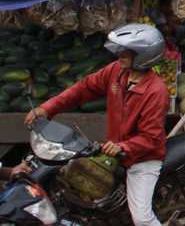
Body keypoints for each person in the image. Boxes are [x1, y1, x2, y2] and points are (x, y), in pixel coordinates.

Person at [25, 24, 169, 226]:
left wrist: (123, 146)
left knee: (141, 218)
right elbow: (83, 89)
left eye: (127, 51)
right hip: (113, 151)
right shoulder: (116, 72)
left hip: (142, 158)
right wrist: (47, 108)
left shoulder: (156, 91)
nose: (120, 54)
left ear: (144, 56)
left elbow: (150, 138)